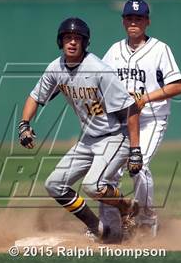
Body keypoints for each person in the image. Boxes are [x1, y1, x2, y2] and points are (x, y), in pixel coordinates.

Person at [18, 17, 143, 243]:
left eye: (77, 38)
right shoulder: (56, 68)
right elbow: (35, 97)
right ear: (61, 42)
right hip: (88, 139)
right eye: (68, 38)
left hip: (115, 136)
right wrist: (24, 124)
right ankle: (98, 227)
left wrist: (135, 150)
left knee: (92, 186)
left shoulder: (99, 69)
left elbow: (131, 109)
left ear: (85, 43)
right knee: (54, 185)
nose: (72, 42)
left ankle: (126, 207)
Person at [100, 0, 181, 238]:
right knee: (107, 172)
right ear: (123, 21)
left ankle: (147, 219)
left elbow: (177, 86)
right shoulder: (114, 50)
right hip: (120, 122)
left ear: (147, 22)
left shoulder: (160, 49)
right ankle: (110, 225)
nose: (133, 22)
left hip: (151, 119)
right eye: (129, 18)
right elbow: (101, 82)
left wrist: (144, 98)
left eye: (138, 18)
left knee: (138, 166)